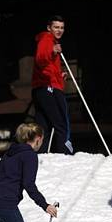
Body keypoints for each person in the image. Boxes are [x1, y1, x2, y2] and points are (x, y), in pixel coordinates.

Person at [31, 15, 73, 155]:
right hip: (48, 87)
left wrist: (59, 75)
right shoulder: (47, 39)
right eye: (56, 27)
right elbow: (40, 58)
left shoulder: (49, 40)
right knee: (61, 122)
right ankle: (65, 154)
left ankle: (41, 153)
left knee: (43, 125)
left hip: (42, 87)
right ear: (49, 28)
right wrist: (52, 50)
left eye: (62, 28)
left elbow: (47, 67)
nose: (59, 30)